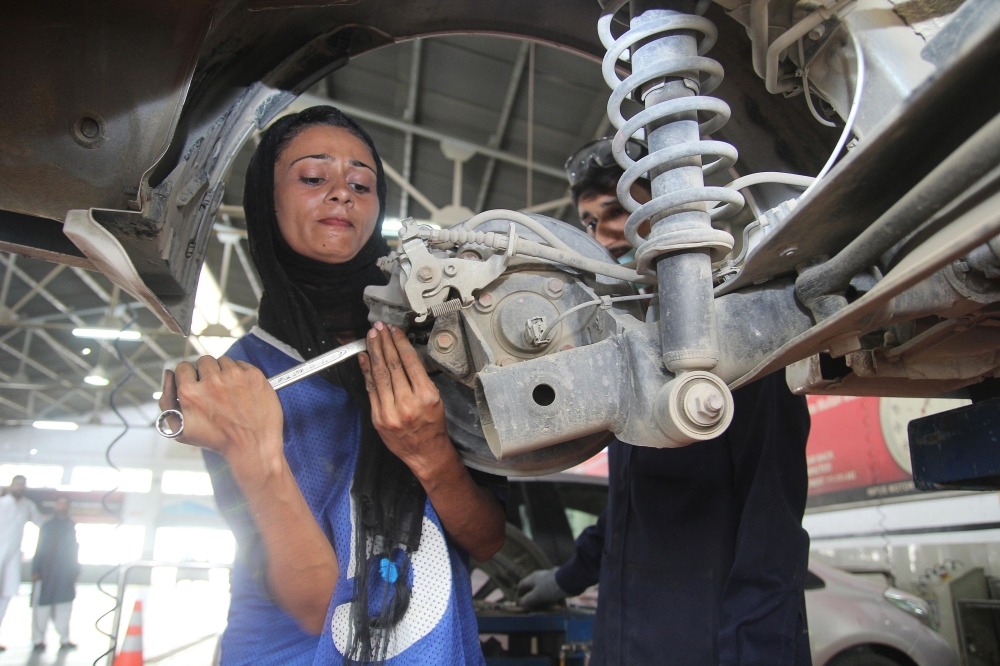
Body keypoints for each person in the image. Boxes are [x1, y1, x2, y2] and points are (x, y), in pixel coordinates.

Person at [158, 105, 506, 666]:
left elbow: (488, 539)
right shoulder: (237, 383)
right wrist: (254, 453)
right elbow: (320, 609)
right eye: (314, 178)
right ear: (266, 204)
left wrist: (430, 453)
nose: (342, 193)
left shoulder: (440, 351)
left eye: (361, 184)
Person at [517, 138, 813, 666]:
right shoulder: (636, 351)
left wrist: (755, 652)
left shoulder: (738, 341)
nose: (604, 235)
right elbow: (629, 506)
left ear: (666, 210)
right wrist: (567, 578)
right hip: (626, 641)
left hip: (711, 643)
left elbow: (772, 525)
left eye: (617, 212)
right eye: (589, 223)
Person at [0, 475, 42, 652]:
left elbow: (41, 523)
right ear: (11, 486)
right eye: (17, 484)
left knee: (5, 596)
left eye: (23, 484)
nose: (20, 487)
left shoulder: (28, 506)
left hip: (12, 559)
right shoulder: (2, 503)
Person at [31, 495, 79, 651]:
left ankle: (64, 639)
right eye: (59, 503)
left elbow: (74, 550)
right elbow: (39, 548)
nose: (62, 506)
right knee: (42, 607)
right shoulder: (48, 526)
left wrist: (75, 570)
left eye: (65, 504)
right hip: (46, 572)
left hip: (66, 574)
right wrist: (36, 569)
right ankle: (38, 639)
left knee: (64, 606)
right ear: (55, 506)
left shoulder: (71, 526)